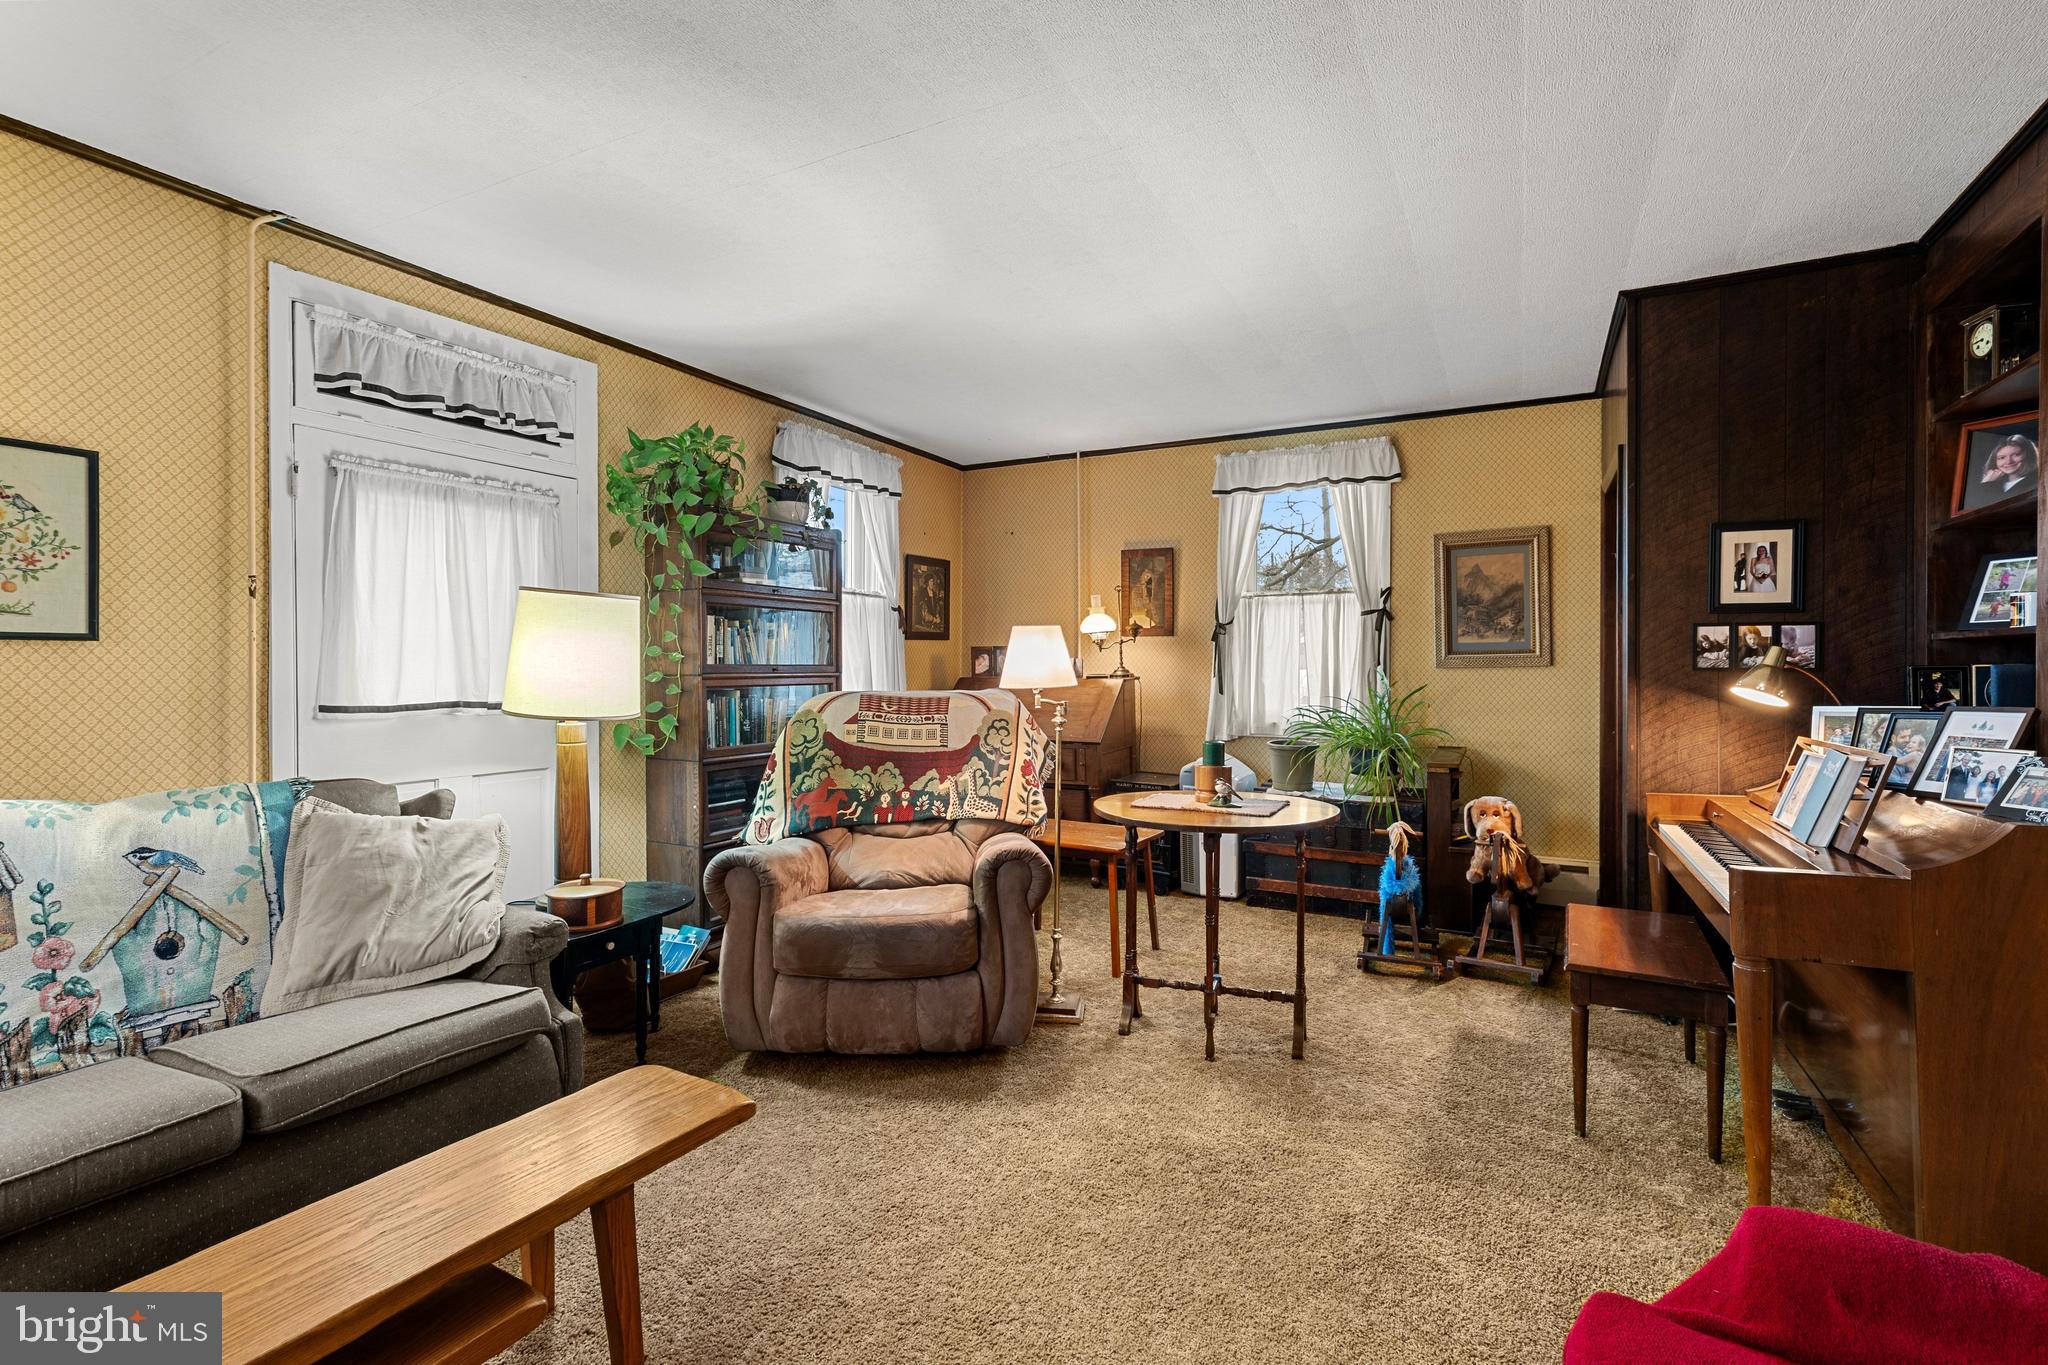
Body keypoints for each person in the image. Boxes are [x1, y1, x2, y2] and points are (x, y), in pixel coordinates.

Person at [1978, 433, 2038, 500]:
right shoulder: (1994, 484)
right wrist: (1986, 482)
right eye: (2002, 457)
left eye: (2016, 455)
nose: (2009, 461)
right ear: (1995, 461)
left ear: (2028, 455)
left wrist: (1986, 484)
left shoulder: (2036, 484)